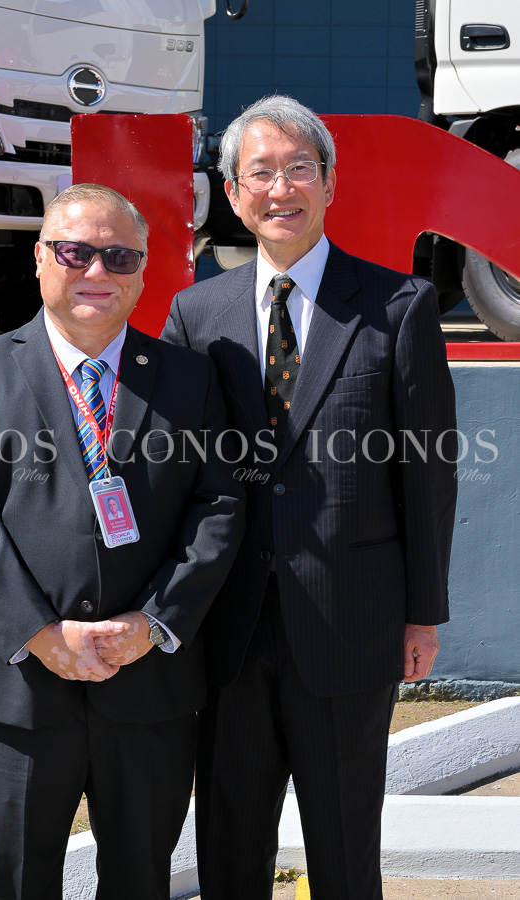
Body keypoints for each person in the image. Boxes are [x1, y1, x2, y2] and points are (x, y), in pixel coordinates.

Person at [161, 96, 458, 900]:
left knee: (343, 850)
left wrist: (421, 612)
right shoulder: (196, 314)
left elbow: (426, 474)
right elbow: (181, 475)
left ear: (328, 184)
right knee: (227, 847)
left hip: (350, 625)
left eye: (299, 168)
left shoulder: (397, 308)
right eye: (259, 171)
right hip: (224, 630)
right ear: (232, 194)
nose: (280, 187)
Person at [0, 184, 245, 900]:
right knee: (11, 884)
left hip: (150, 693)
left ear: (140, 271)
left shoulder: (189, 380)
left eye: (118, 254)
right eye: (74, 251)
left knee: (139, 883)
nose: (96, 270)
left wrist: (152, 623)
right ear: (40, 260)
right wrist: (40, 633)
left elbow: (218, 508)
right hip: (19, 697)